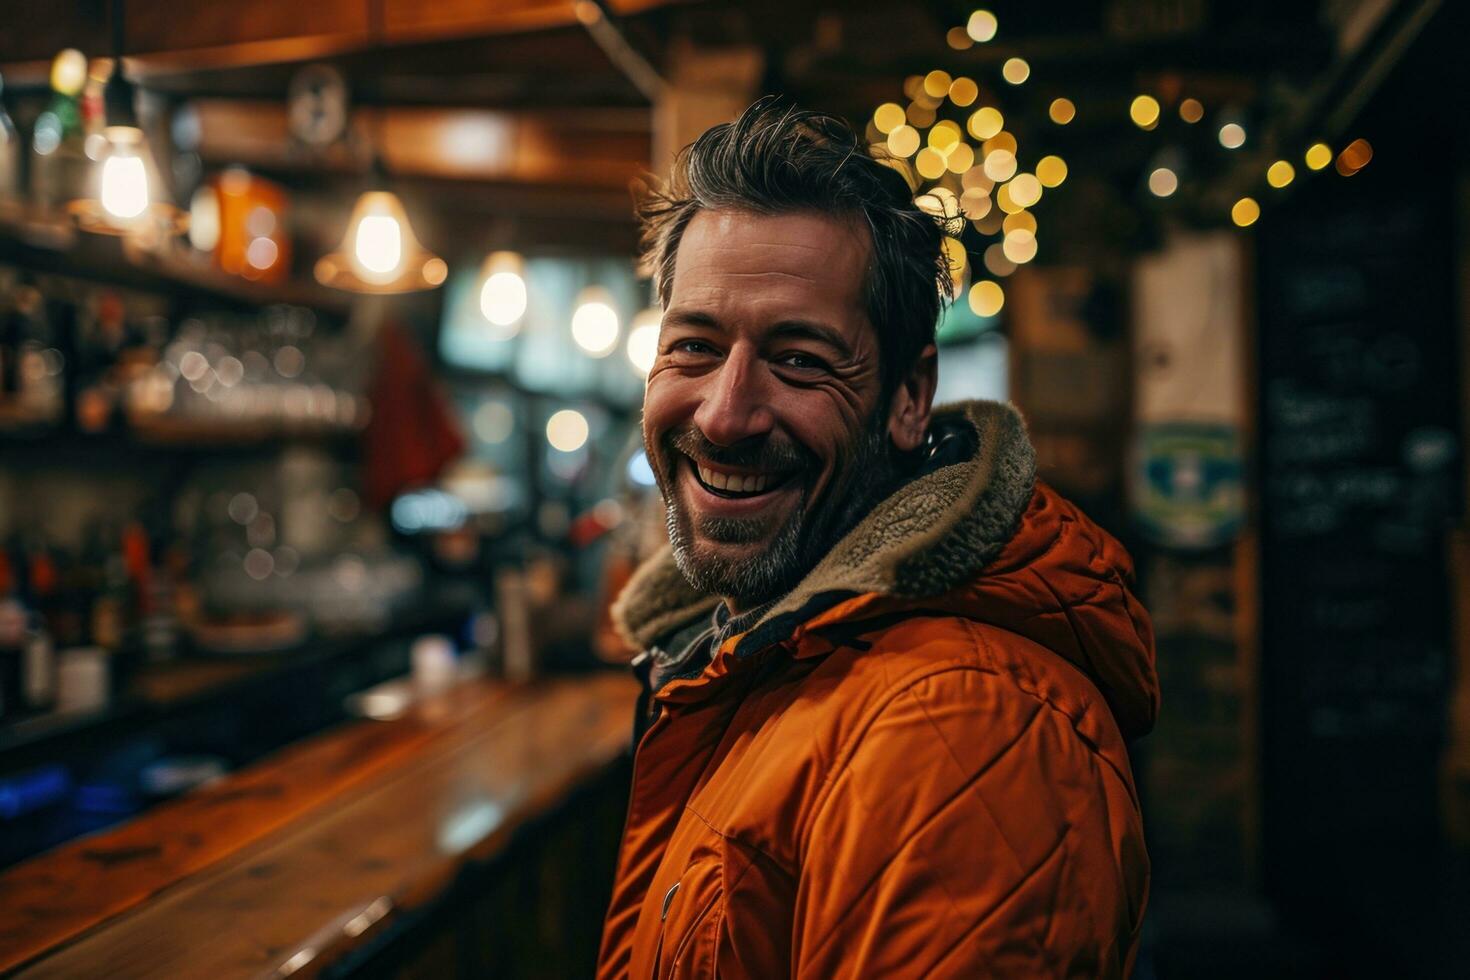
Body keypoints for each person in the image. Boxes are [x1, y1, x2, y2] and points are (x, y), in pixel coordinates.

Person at [596, 97, 1158, 979]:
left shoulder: (964, 726)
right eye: (694, 348)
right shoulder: (761, 654)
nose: (725, 412)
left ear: (907, 397)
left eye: (801, 360)